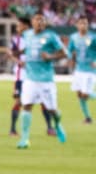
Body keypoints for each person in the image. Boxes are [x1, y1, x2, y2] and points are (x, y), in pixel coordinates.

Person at [14, 12, 69, 148]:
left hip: (46, 80)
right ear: (32, 22)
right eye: (37, 20)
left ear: (45, 23)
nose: (39, 22)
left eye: (42, 20)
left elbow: (65, 53)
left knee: (52, 110)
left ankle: (58, 124)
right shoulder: (27, 35)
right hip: (30, 79)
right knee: (27, 106)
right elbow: (29, 48)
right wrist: (19, 53)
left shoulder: (51, 36)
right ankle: (25, 139)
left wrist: (50, 57)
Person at [66, 15, 94, 124]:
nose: (83, 25)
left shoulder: (93, 37)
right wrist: (70, 58)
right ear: (77, 25)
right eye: (81, 23)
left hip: (90, 70)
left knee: (85, 95)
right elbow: (69, 50)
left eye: (85, 23)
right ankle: (88, 118)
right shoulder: (73, 37)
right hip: (79, 70)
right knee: (79, 94)